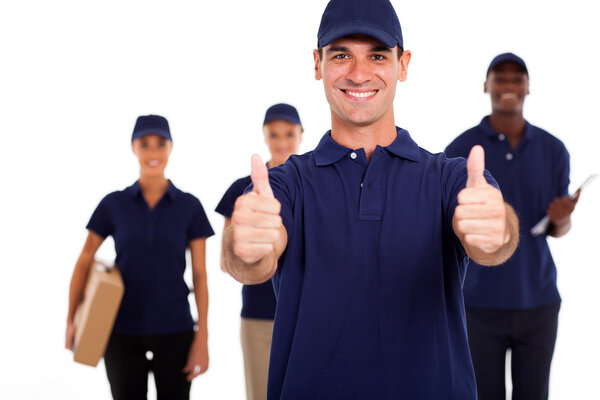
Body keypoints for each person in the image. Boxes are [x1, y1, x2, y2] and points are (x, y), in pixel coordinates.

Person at [221, 0, 520, 398]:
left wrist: (496, 230)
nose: (359, 74)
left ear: (403, 64)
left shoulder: (449, 177)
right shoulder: (285, 184)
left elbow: (494, 242)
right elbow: (249, 260)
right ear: (317, 64)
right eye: (341, 54)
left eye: (377, 55)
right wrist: (245, 248)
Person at [445, 53, 580, 400]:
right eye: (500, 78)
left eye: (517, 78)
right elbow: (448, 228)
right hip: (477, 305)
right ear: (486, 86)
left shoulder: (554, 150)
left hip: (538, 302)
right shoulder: (462, 148)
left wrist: (562, 217)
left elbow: (556, 230)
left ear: (527, 88)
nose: (508, 85)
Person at [65, 115, 213, 400]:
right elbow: (84, 260)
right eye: (144, 144)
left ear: (171, 147)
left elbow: (200, 275)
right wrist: (71, 319)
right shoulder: (114, 204)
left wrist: (202, 337)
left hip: (176, 330)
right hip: (121, 330)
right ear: (134, 148)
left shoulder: (189, 206)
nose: (153, 152)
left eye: (160, 143)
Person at [216, 103, 303, 400]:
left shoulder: (315, 186)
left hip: (309, 317)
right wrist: (251, 254)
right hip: (259, 318)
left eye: (289, 134)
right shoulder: (242, 188)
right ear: (264, 136)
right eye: (274, 135)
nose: (281, 143)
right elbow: (226, 262)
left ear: (301, 134)